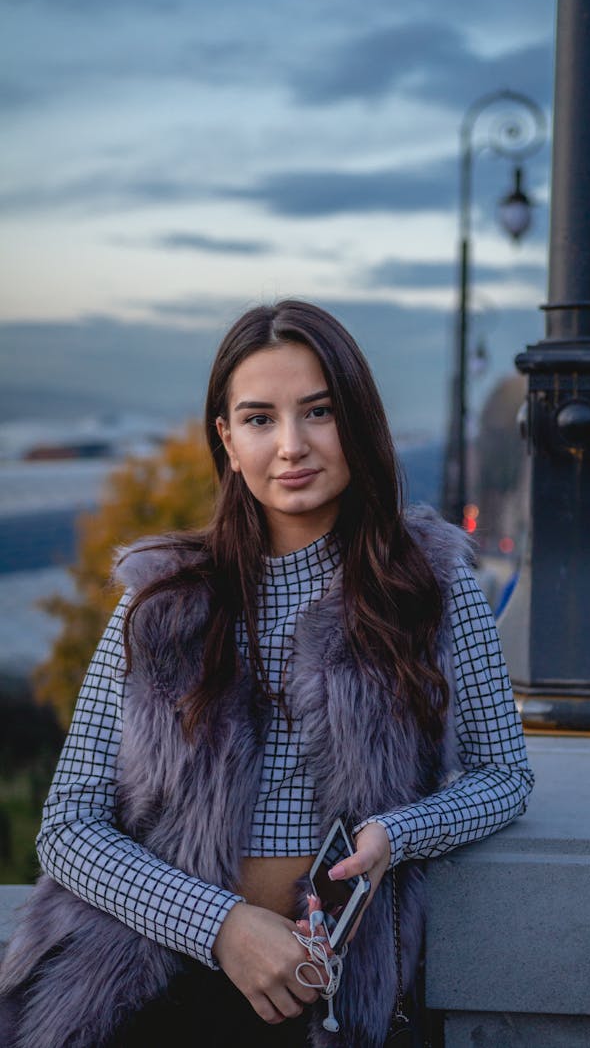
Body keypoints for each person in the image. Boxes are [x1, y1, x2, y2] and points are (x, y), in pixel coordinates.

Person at [0, 301, 533, 1048]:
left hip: (328, 984)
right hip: (139, 981)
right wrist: (220, 926)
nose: (291, 445)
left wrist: (396, 833)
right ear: (226, 437)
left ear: (357, 419)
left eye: (318, 411)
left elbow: (505, 773)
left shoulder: (431, 588)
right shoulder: (162, 601)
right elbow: (66, 828)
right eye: (258, 418)